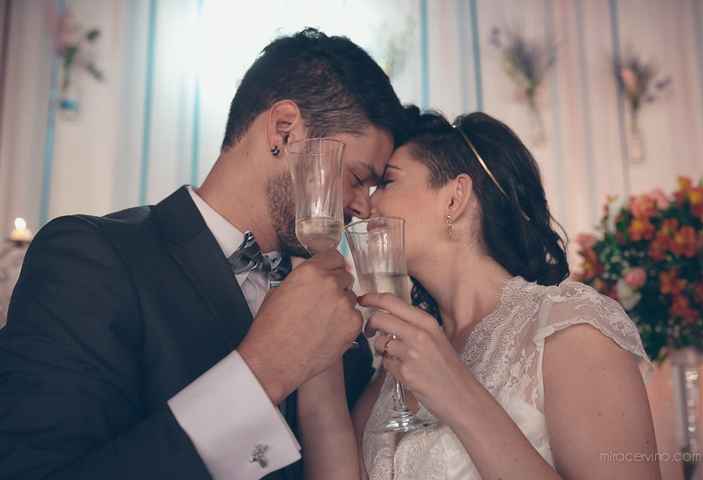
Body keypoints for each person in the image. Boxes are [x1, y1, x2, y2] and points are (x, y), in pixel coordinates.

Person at [0, 28, 410, 480]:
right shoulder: (91, 259)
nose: (363, 208)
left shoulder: (338, 323)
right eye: (356, 177)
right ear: (285, 129)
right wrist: (262, 372)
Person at [302, 110, 661, 479]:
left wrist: (456, 392)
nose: (364, 206)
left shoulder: (570, 328)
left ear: (455, 198)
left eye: (388, 183)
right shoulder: (397, 363)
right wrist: (318, 357)